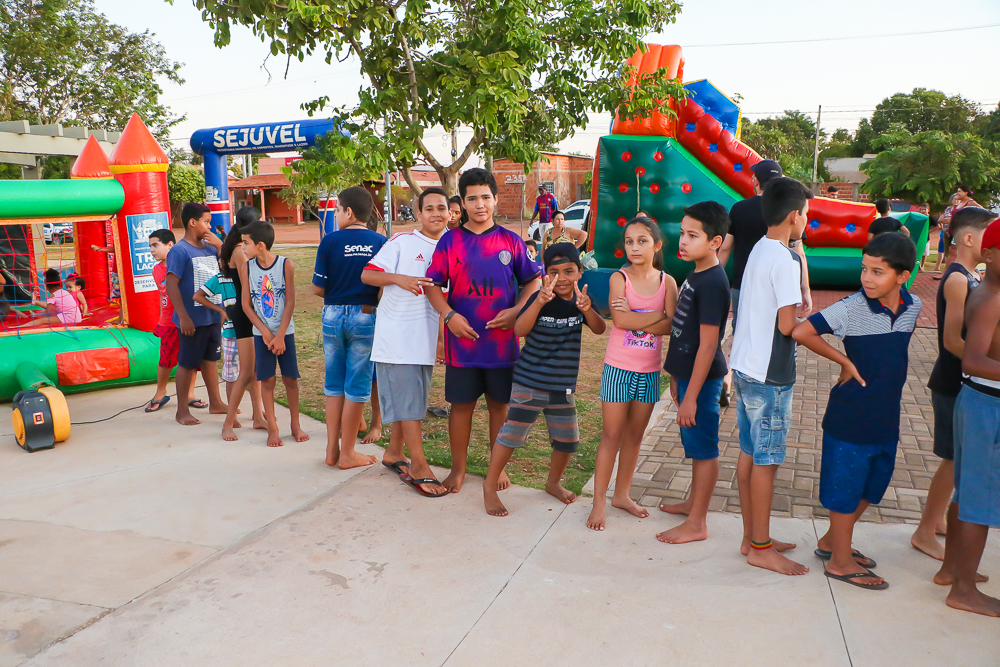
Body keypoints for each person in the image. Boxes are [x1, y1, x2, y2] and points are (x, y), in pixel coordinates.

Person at [793, 232, 922, 590]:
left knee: (873, 484)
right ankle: (840, 561)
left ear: (902, 276)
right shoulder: (850, 308)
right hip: (850, 417)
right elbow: (802, 331)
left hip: (886, 417)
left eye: (877, 272)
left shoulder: (914, 307)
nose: (867, 278)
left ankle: (832, 541)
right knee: (846, 489)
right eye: (864, 269)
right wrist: (844, 361)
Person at [425, 168, 541, 493]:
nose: (480, 204)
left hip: (502, 346)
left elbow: (534, 280)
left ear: (494, 199)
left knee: (499, 407)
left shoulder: (510, 242)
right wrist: (449, 316)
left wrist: (516, 310)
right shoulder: (450, 241)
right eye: (472, 198)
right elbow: (433, 286)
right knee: (461, 407)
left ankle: (496, 469)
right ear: (461, 202)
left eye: (485, 197)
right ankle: (458, 470)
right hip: (462, 345)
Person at [483, 243, 606, 516]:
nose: (562, 278)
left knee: (567, 440)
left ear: (580, 272)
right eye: (554, 272)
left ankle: (553, 483)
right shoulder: (539, 297)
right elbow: (520, 329)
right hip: (530, 382)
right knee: (511, 436)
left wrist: (587, 310)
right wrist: (538, 302)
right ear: (545, 275)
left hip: (562, 386)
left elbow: (599, 328)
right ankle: (490, 486)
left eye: (569, 271)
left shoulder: (581, 300)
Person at [729, 176, 812, 575]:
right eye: (807, 215)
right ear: (795, 216)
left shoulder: (761, 249)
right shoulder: (785, 259)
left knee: (750, 454)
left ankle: (752, 536)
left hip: (746, 367)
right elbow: (786, 325)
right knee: (766, 461)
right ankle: (760, 547)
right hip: (770, 376)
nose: (806, 221)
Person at [914, 207, 995, 561]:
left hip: (962, 379)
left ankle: (940, 521)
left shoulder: (970, 276)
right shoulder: (959, 278)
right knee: (952, 460)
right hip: (953, 380)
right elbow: (952, 341)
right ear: (968, 239)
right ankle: (924, 531)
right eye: (987, 235)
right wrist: (981, 366)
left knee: (956, 460)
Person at [587, 217, 678, 531]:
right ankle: (599, 502)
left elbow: (671, 325)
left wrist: (636, 315)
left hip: (649, 372)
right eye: (629, 241)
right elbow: (621, 323)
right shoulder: (618, 278)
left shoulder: (668, 282)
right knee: (611, 436)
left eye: (642, 240)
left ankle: (621, 496)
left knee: (635, 438)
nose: (634, 247)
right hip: (617, 370)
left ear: (657, 245)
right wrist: (656, 315)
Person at [361, 186, 451, 497]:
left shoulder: (452, 247)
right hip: (397, 338)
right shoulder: (403, 242)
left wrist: (440, 341)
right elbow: (368, 275)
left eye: (442, 208)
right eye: (429, 208)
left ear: (451, 212)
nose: (436, 214)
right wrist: (400, 278)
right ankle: (419, 465)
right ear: (419, 212)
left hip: (424, 339)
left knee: (412, 401)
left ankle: (394, 453)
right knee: (411, 404)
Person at [933, 217, 1000, 616]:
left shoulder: (989, 288)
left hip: (978, 404)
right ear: (988, 255)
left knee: (966, 491)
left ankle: (952, 569)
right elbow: (973, 361)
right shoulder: (991, 297)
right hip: (985, 405)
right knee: (980, 497)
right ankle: (963, 590)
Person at [655, 202, 732, 544]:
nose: (682, 241)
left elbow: (707, 345)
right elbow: (682, 332)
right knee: (695, 445)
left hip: (702, 382)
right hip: (688, 379)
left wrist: (690, 397)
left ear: (715, 242)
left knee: (705, 450)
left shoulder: (713, 283)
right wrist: (675, 376)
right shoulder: (696, 273)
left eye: (692, 235)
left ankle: (698, 523)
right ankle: (693, 504)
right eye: (682, 233)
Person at [718, 160, 812, 405]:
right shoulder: (785, 216)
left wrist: (716, 280)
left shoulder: (740, 209)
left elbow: (726, 247)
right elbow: (799, 253)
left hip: (742, 283)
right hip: (771, 375)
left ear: (755, 181)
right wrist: (806, 289)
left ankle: (728, 378)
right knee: (773, 332)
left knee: (742, 331)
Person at [313, 186, 387, 469]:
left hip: (332, 315)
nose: (335, 214)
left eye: (337, 210)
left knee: (334, 386)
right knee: (356, 388)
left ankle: (332, 451)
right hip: (366, 316)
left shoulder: (329, 241)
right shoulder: (381, 242)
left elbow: (318, 287)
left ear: (349, 212)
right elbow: (382, 287)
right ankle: (348, 453)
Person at [240, 221, 308, 447]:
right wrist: (264, 332)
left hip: (284, 333)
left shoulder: (285, 265)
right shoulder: (246, 268)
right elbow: (246, 305)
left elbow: (290, 302)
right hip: (261, 335)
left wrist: (279, 336)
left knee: (290, 379)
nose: (243, 248)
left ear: (260, 245)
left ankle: (295, 425)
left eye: (245, 243)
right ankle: (273, 428)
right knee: (267, 380)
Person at [166, 202, 228, 426]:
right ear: (193, 222)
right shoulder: (180, 251)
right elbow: (171, 285)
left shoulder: (211, 248)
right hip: (191, 319)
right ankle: (182, 410)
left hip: (212, 316)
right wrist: (183, 316)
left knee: (210, 360)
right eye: (206, 221)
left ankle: (216, 402)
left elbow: (225, 272)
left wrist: (221, 247)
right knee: (188, 363)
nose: (209, 226)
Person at [221, 206, 268, 440]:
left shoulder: (239, 247)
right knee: (246, 372)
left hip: (248, 312)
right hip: (244, 314)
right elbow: (247, 288)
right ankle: (228, 422)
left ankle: (258, 416)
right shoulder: (240, 251)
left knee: (255, 371)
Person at [145, 229, 187, 413]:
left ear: (170, 245)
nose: (152, 250)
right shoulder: (156, 270)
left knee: (190, 359)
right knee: (165, 360)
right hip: (168, 322)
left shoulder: (183, 265)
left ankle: (190, 393)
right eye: (150, 246)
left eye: (155, 245)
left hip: (185, 320)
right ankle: (160, 392)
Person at [193, 256, 240, 417]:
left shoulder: (248, 275)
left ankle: (257, 413)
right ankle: (232, 415)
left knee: (254, 374)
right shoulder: (221, 279)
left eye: (223, 259)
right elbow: (198, 296)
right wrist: (220, 310)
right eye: (219, 259)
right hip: (231, 334)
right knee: (231, 375)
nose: (220, 263)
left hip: (251, 332)